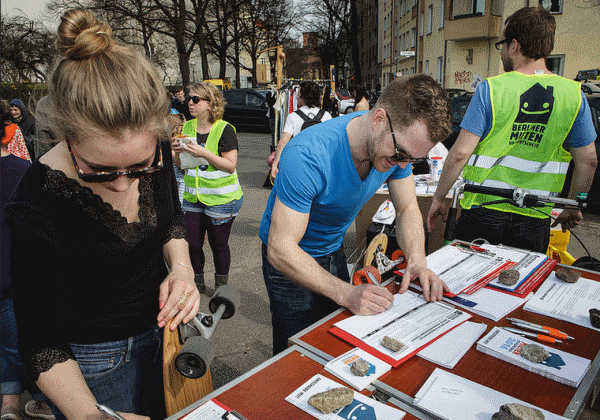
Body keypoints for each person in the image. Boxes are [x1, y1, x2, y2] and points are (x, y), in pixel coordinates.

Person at [4, 8, 200, 420]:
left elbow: (170, 217)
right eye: (100, 170)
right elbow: (40, 342)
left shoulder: (156, 148)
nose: (124, 183)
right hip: (90, 365)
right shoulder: (35, 203)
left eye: (140, 167)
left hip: (166, 337)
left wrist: (181, 267)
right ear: (67, 138)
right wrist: (89, 415)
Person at [260, 74, 453, 355]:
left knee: (334, 340)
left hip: (331, 249)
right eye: (400, 155)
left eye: (412, 159)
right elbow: (280, 249)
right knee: (296, 352)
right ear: (378, 120)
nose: (401, 165)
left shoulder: (398, 148)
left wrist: (417, 260)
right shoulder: (308, 154)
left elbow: (407, 208)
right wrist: (347, 293)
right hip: (289, 259)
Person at [427, 6, 597, 254]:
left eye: (503, 45)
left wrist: (439, 198)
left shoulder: (491, 89)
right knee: (519, 288)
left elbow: (460, 154)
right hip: (535, 218)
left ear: (514, 45)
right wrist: (573, 205)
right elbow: (589, 161)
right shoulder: (574, 96)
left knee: (468, 283)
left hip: (483, 213)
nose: (503, 52)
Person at [1, 107, 55, 420]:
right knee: (16, 340)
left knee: (14, 342)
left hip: (13, 277)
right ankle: (16, 401)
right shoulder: (25, 170)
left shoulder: (26, 171)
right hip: (22, 273)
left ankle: (35, 399)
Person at [171, 81, 243, 294]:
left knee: (218, 244)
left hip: (221, 199)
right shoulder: (186, 127)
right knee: (192, 244)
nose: (189, 103)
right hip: (193, 198)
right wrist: (176, 152)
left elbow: (230, 166)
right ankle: (198, 284)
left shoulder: (224, 129)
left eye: (195, 99)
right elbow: (182, 166)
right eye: (189, 98)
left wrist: (204, 153)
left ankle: (222, 288)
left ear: (211, 104)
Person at [270, 81, 333, 179]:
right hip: (321, 165)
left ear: (303, 97)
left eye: (298, 94)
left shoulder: (293, 117)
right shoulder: (326, 116)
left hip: (301, 166)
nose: (297, 97)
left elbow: (283, 143)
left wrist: (275, 164)